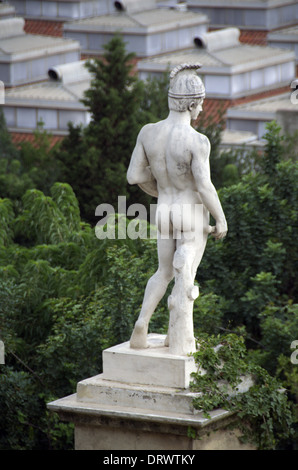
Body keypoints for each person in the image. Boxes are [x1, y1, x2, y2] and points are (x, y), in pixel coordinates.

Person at [127, 64, 227, 352]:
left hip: (164, 210)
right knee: (186, 275)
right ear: (193, 103)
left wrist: (158, 188)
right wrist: (221, 219)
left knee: (163, 272)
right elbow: (204, 186)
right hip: (190, 212)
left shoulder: (148, 132)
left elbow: (134, 176)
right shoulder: (198, 141)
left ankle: (143, 323)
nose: (202, 110)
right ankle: (181, 341)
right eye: (202, 104)